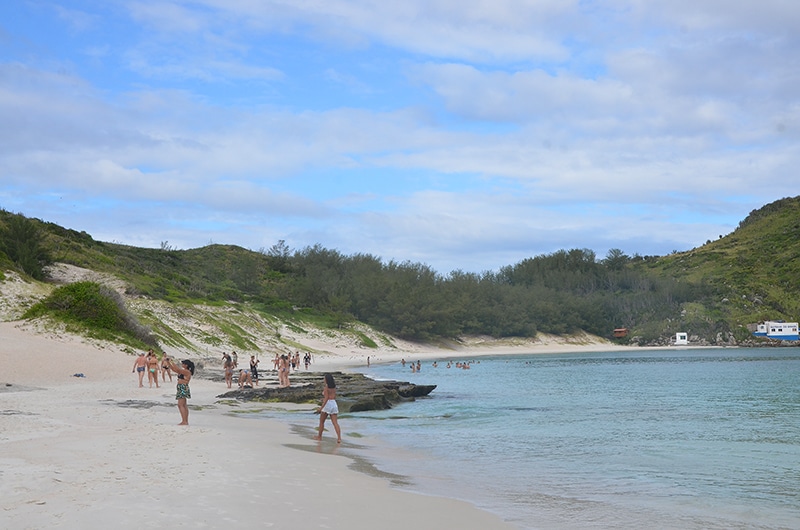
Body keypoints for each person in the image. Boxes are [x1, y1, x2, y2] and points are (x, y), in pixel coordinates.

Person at [166, 357, 194, 425]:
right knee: (183, 405)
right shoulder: (184, 371)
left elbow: (178, 370)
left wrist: (172, 361)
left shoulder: (187, 371)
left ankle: (184, 421)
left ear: (186, 365)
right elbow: (174, 369)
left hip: (183, 387)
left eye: (183, 364)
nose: (182, 365)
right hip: (181, 387)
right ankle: (185, 420)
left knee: (180, 405)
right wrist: (168, 363)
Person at [315, 373, 342, 443]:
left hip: (328, 404)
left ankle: (319, 436)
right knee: (335, 422)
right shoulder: (334, 387)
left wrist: (321, 408)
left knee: (321, 421)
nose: (324, 380)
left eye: (324, 378)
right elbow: (333, 396)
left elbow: (326, 398)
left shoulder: (326, 388)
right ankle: (339, 438)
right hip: (334, 403)